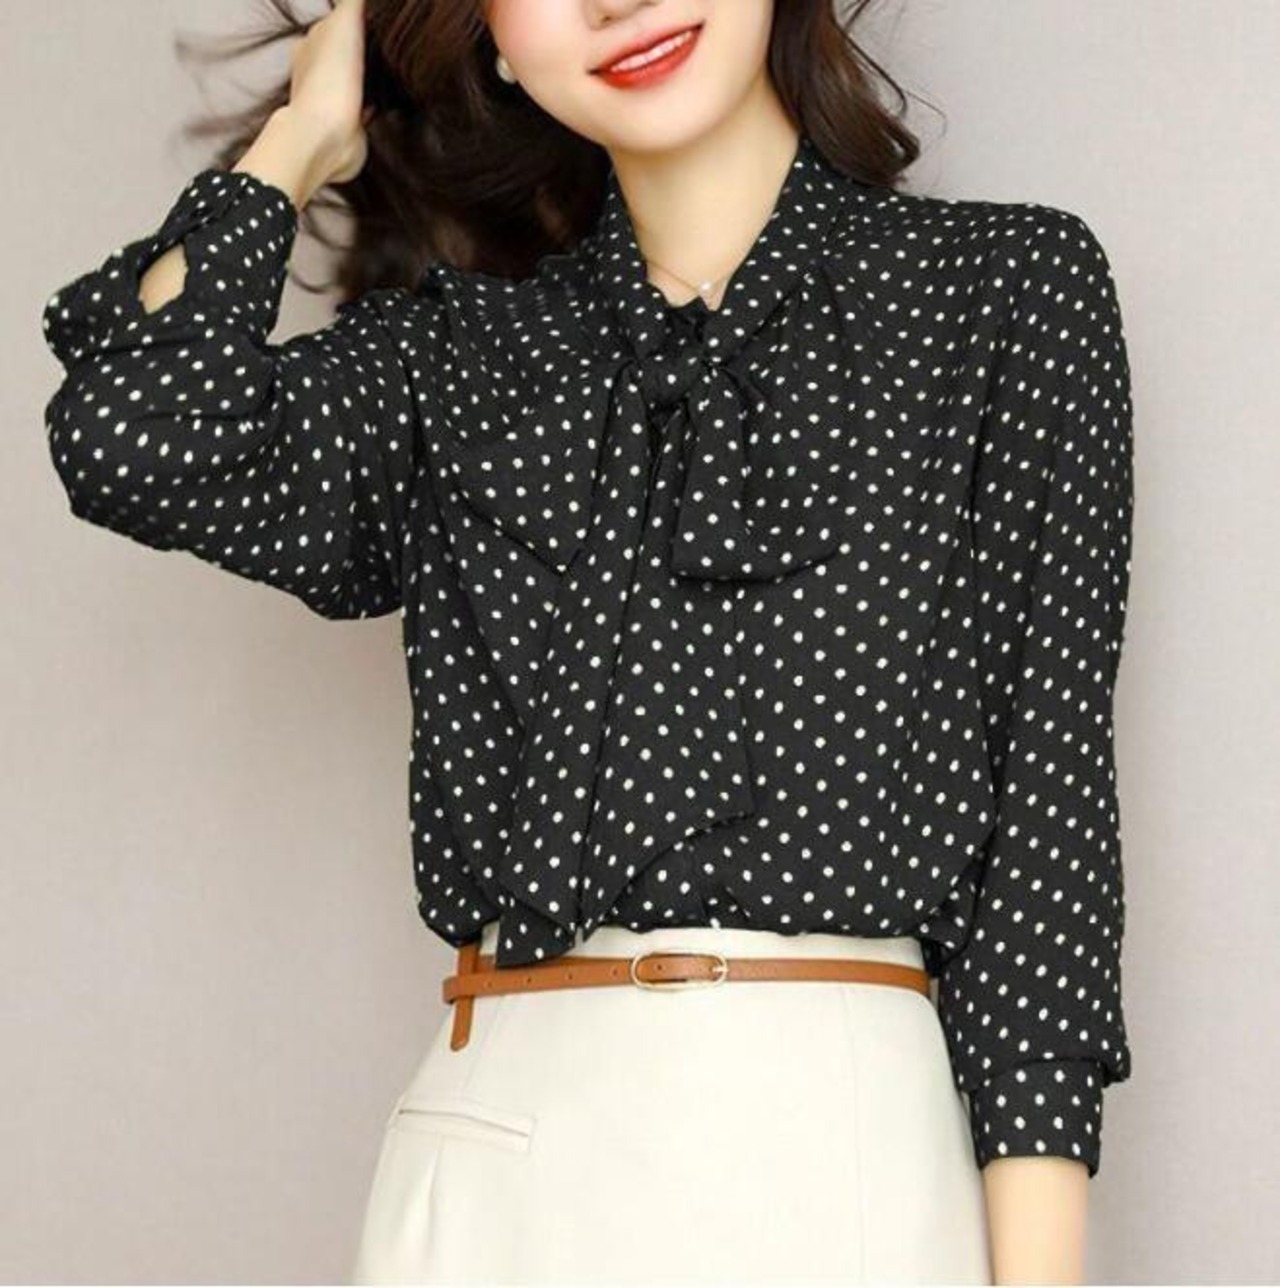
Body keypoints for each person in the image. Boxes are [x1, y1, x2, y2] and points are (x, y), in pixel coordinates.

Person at [40, 0, 1136, 1282]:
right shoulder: (457, 360)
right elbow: (135, 435)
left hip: (840, 1152)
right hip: (497, 1155)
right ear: (494, 40)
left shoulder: (1002, 294)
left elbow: (1045, 856)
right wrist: (302, 140)